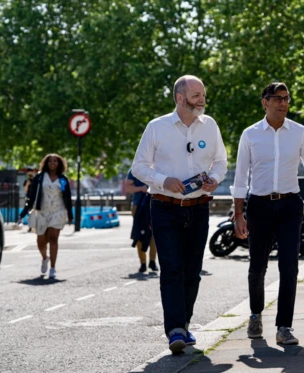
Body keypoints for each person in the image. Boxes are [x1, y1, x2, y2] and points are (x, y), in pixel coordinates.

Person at [131, 75, 227, 354]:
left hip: (198, 208)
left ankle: (184, 324)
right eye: (196, 95)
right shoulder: (157, 127)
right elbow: (139, 167)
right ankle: (174, 330)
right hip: (163, 207)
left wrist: (215, 179)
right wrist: (163, 180)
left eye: (203, 94)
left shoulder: (210, 126)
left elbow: (220, 161)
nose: (202, 99)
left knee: (192, 272)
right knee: (171, 269)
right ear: (180, 98)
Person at [231, 82, 304, 346]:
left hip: (289, 206)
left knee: (289, 266)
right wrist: (239, 214)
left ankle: (284, 326)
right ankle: (255, 314)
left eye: (287, 99)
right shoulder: (250, 135)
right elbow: (240, 179)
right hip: (259, 205)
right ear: (265, 102)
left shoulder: (298, 132)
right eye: (278, 99)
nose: (284, 103)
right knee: (257, 266)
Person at [18, 154, 73, 279]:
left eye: (55, 161)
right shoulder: (39, 177)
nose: (52, 163)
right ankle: (45, 258)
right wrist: (23, 213)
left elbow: (68, 198)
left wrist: (70, 214)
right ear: (46, 163)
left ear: (59, 164)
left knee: (53, 238)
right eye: (50, 161)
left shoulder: (63, 179)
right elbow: (31, 197)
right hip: (42, 211)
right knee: (41, 241)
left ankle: (53, 268)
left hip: (58, 211)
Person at [126, 169, 158, 273]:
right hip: (138, 206)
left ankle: (152, 261)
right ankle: (143, 263)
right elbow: (128, 188)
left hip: (155, 205)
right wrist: (141, 188)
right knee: (139, 234)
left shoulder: (158, 166)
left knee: (155, 234)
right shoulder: (134, 169)